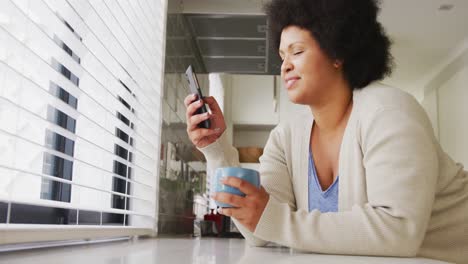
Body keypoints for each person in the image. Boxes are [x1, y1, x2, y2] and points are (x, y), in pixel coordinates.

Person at [183, 0, 468, 263]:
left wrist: (277, 221)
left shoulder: (389, 112)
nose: (285, 66)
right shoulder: (285, 138)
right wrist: (216, 147)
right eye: (282, 56)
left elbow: (397, 230)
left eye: (297, 51)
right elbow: (261, 230)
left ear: (337, 53)